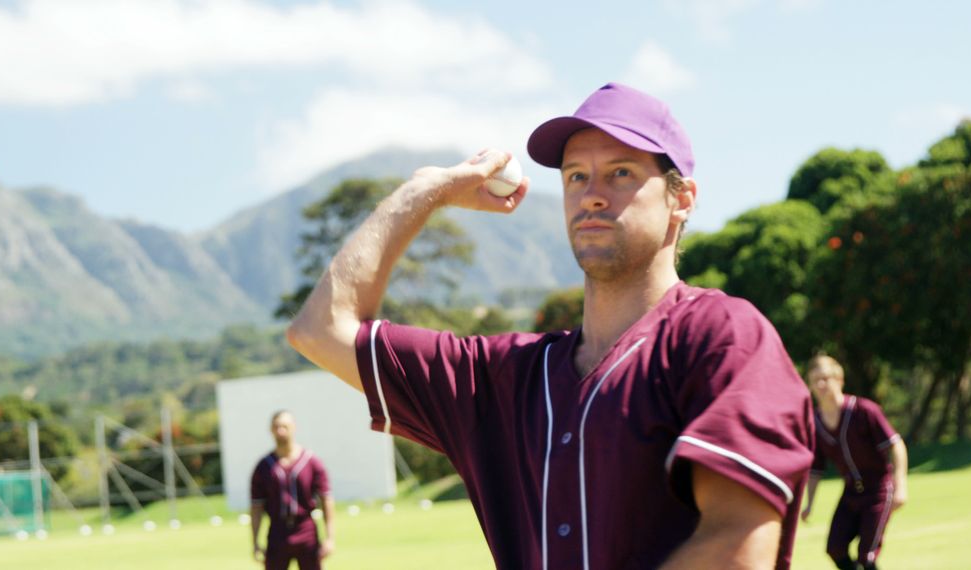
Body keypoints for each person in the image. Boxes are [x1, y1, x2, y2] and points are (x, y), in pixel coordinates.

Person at [287, 82, 815, 569]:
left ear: (681, 199)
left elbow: (740, 545)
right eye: (576, 176)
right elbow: (320, 329)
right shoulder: (501, 377)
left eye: (622, 173)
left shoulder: (719, 334)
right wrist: (424, 193)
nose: (592, 194)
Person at [801, 355, 908, 570]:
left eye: (826, 378)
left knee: (866, 556)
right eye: (815, 380)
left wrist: (900, 487)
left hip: (878, 490)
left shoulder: (864, 410)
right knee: (835, 549)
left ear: (839, 380)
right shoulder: (815, 422)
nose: (821, 385)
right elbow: (816, 468)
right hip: (851, 493)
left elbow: (896, 445)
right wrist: (809, 504)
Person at [249, 410, 335, 570]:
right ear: (271, 430)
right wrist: (255, 542)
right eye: (276, 427)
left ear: (294, 427)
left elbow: (326, 499)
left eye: (285, 426)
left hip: (306, 530)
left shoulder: (311, 461)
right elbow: (256, 506)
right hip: (277, 532)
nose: (280, 431)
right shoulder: (264, 466)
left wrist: (330, 538)